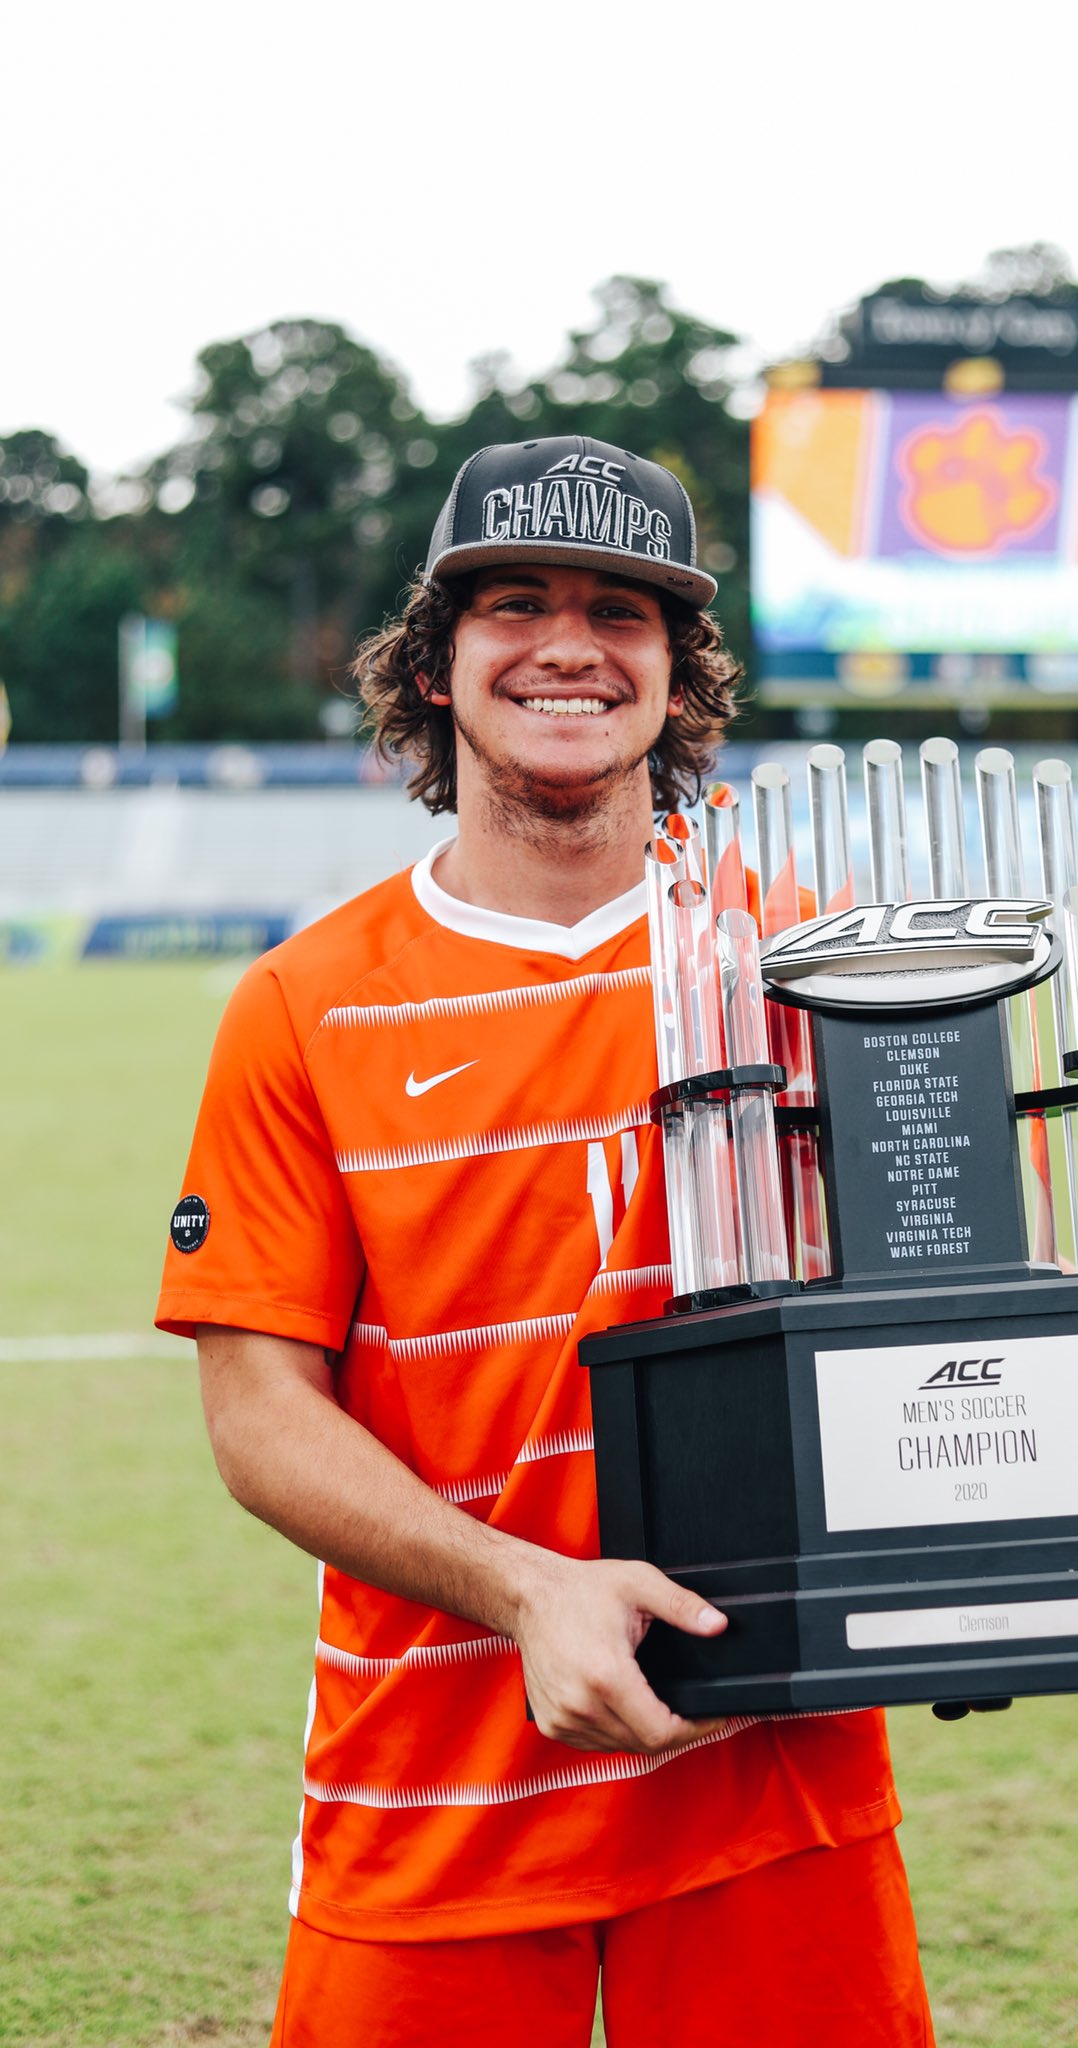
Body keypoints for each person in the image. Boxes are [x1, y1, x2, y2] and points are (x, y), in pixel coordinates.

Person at [156, 436, 934, 2048]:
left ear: (679, 673)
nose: (568, 645)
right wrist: (526, 1595)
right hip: (430, 1798)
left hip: (769, 1773)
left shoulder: (810, 957)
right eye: (515, 604)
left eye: (620, 611)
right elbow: (258, 1412)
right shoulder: (306, 1003)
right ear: (433, 666)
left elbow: (952, 1316)